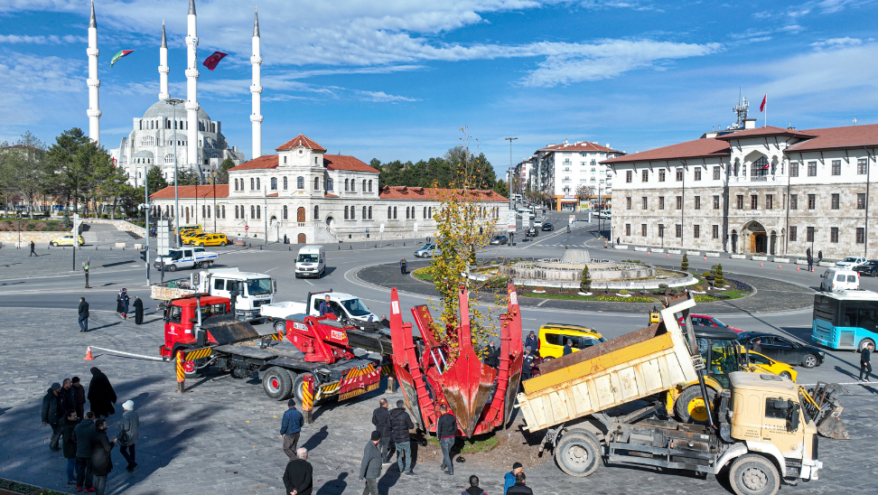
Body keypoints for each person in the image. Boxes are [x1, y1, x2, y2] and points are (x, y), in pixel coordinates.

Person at [90, 418, 116, 495]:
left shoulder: (93, 433)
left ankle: (96, 492)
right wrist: (113, 442)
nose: (106, 425)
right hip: (102, 460)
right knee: (102, 479)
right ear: (101, 426)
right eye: (105, 424)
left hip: (94, 459)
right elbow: (107, 448)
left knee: (97, 477)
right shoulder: (102, 435)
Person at [389, 400, 415, 475]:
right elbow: (411, 426)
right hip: (405, 438)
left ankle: (400, 468)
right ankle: (408, 470)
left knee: (399, 453)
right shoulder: (405, 415)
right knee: (407, 453)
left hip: (396, 438)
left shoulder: (392, 415)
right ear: (402, 406)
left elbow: (390, 427)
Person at [75, 412, 96, 493]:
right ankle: (88, 486)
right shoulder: (94, 427)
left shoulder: (77, 426)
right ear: (93, 418)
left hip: (80, 451)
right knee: (90, 469)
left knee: (80, 468)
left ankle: (79, 485)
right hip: (90, 452)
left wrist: (79, 444)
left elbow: (74, 437)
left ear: (85, 417)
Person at [61, 409, 81, 485]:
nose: (76, 416)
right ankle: (71, 478)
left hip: (75, 448)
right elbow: (68, 439)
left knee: (77, 463)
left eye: (76, 414)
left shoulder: (73, 422)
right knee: (71, 463)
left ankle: (79, 475)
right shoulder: (67, 428)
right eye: (74, 416)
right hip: (71, 449)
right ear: (68, 417)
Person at [118, 400, 139, 471]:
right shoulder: (135, 414)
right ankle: (132, 462)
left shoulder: (125, 415)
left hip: (128, 436)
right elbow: (137, 424)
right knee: (132, 448)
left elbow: (126, 428)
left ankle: (131, 462)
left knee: (122, 449)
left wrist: (120, 426)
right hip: (135, 434)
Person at [42, 383, 64, 450]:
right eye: (58, 388)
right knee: (58, 431)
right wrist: (44, 419)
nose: (60, 389)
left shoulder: (60, 395)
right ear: (54, 389)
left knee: (57, 431)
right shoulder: (48, 397)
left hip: (60, 416)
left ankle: (54, 444)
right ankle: (53, 445)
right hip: (52, 418)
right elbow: (45, 409)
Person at [437, 404, 456, 475]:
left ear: (441, 410)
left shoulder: (441, 419)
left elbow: (439, 429)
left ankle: (450, 470)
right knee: (447, 453)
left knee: (446, 455)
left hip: (444, 438)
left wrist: (438, 438)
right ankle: (443, 466)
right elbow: (455, 427)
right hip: (452, 438)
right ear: (447, 409)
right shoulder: (452, 417)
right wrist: (453, 434)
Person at [371, 398, 393, 463]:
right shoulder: (387, 412)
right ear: (385, 404)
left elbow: (373, 420)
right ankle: (384, 459)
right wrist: (390, 428)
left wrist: (378, 425)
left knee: (378, 446)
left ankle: (377, 458)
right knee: (385, 446)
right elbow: (389, 423)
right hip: (386, 432)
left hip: (378, 431)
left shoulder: (375, 411)